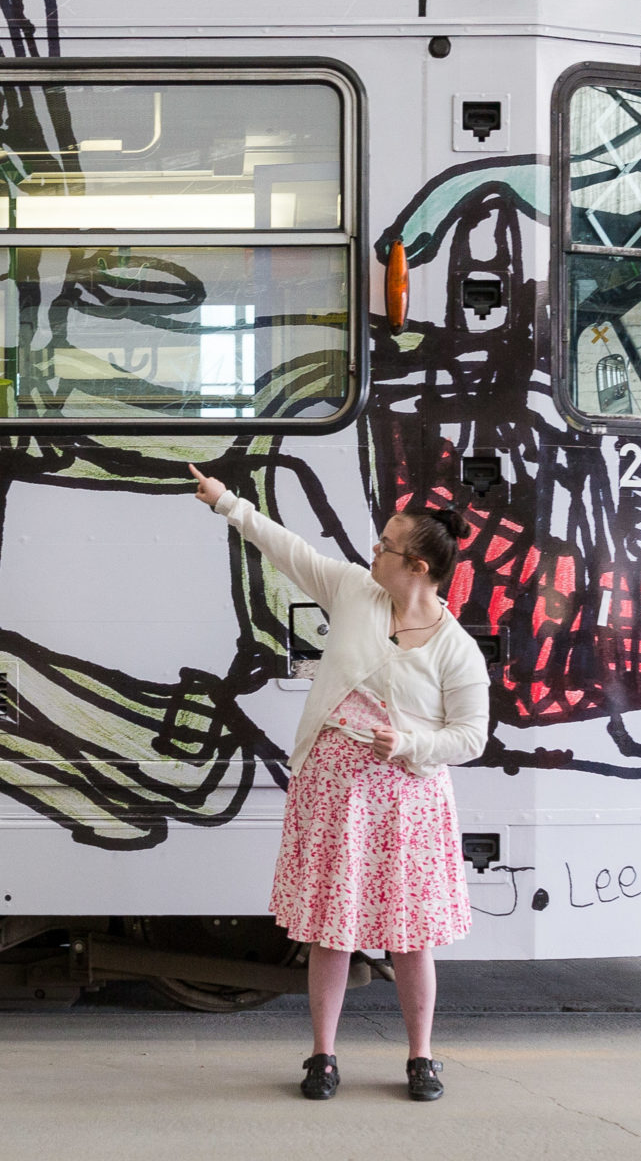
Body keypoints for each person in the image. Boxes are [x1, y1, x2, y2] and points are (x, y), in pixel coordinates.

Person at [188, 465, 491, 1101]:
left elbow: (470, 738)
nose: (372, 550)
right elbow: (288, 548)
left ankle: (421, 1057)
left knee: (410, 936)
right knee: (330, 929)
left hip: (407, 800)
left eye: (385, 545)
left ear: (416, 567)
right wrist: (227, 503)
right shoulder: (355, 591)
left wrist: (408, 743)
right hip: (333, 791)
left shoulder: (456, 649)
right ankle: (322, 1056)